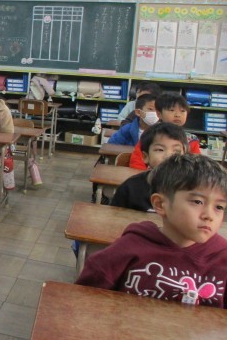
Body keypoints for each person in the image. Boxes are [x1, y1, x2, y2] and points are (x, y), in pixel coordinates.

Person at [77, 154, 227, 308]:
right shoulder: (131, 246)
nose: (209, 216)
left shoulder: (223, 257)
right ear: (160, 204)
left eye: (219, 207)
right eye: (198, 202)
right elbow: (84, 297)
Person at [111, 122, 188, 212]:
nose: (169, 156)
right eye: (160, 150)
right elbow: (114, 216)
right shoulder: (130, 188)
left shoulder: (193, 187)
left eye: (176, 151)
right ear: (145, 157)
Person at [128, 92, 200, 170]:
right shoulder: (151, 134)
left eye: (182, 111)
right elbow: (137, 161)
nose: (177, 115)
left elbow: (196, 166)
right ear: (159, 114)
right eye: (172, 110)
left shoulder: (191, 139)